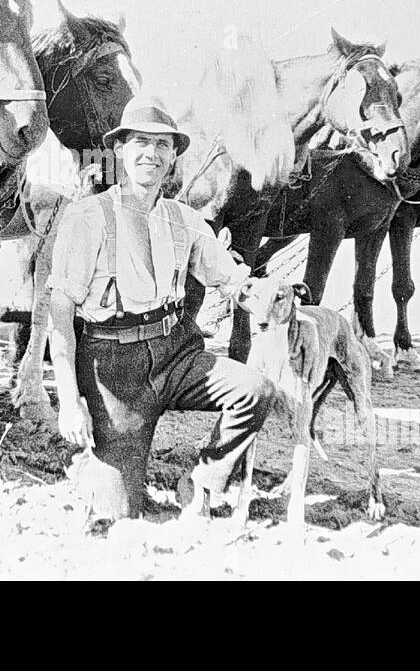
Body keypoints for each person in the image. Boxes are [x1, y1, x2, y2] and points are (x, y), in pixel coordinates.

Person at [47, 95, 275, 521]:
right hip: (114, 370)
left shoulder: (184, 219)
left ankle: (203, 481)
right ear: (119, 150)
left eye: (162, 146)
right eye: (140, 143)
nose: (151, 153)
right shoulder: (87, 217)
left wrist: (275, 299)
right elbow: (60, 313)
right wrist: (67, 397)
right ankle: (95, 468)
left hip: (176, 354)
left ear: (173, 157)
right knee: (119, 512)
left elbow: (235, 282)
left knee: (255, 391)